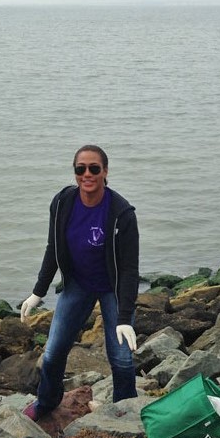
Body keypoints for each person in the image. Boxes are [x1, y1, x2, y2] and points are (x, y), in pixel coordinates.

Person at [20, 145, 139, 421]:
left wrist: (124, 316)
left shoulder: (122, 214)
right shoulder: (62, 203)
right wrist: (38, 292)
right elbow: (53, 249)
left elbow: (130, 271)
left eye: (94, 168)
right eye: (80, 168)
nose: (87, 174)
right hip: (78, 285)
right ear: (75, 173)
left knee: (121, 358)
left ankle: (125, 412)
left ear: (105, 172)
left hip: (113, 289)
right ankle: (47, 401)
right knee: (52, 353)